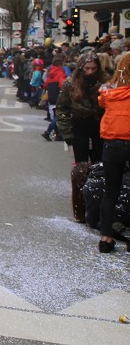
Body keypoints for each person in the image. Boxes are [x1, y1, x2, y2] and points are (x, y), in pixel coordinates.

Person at [58, 52, 108, 223]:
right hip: (79, 125)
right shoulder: (71, 83)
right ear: (81, 68)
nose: (90, 72)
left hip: (100, 126)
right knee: (81, 168)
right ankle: (81, 207)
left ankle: (98, 205)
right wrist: (67, 133)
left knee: (100, 165)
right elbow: (62, 109)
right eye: (87, 68)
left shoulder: (105, 82)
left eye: (93, 68)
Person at [98, 53, 130, 253]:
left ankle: (106, 237)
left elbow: (102, 102)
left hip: (113, 143)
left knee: (111, 191)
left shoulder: (110, 93)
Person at [42, 54, 68, 141]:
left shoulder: (51, 73)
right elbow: (63, 85)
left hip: (51, 96)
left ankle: (57, 135)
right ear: (60, 65)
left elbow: (45, 85)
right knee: (59, 116)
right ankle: (48, 131)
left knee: (56, 114)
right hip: (58, 96)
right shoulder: (60, 73)